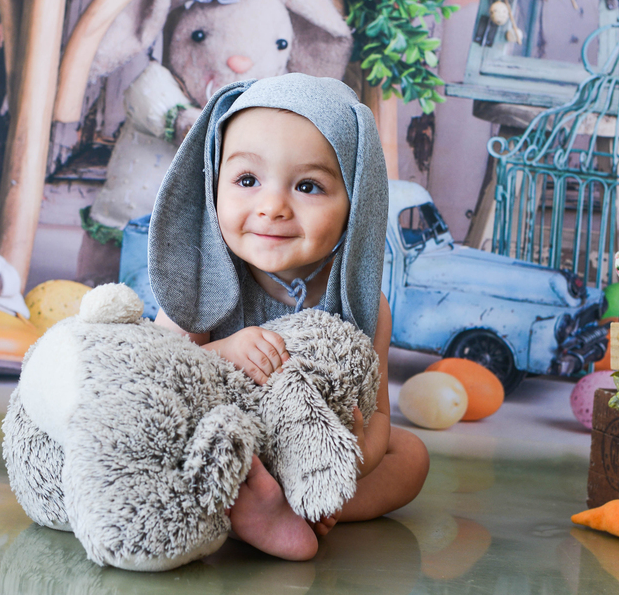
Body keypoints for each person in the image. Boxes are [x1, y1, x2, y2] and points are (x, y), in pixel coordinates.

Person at [147, 73, 430, 561]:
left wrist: (356, 458)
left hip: (312, 451)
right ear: (214, 184)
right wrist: (225, 351)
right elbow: (161, 376)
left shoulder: (361, 303)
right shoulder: (202, 283)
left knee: (410, 457)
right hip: (228, 449)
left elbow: (379, 413)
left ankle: (302, 506)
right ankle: (251, 508)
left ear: (355, 203)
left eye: (307, 186)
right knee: (163, 447)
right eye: (247, 181)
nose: (272, 207)